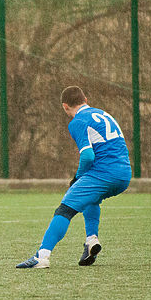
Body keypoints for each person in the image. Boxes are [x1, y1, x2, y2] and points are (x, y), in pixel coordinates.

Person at [16, 85, 132, 269]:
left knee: (64, 210)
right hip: (124, 174)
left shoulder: (78, 121)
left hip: (103, 173)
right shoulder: (104, 114)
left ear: (65, 106)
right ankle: (91, 241)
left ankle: (42, 257)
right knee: (91, 199)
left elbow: (87, 156)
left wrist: (78, 177)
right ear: (85, 99)